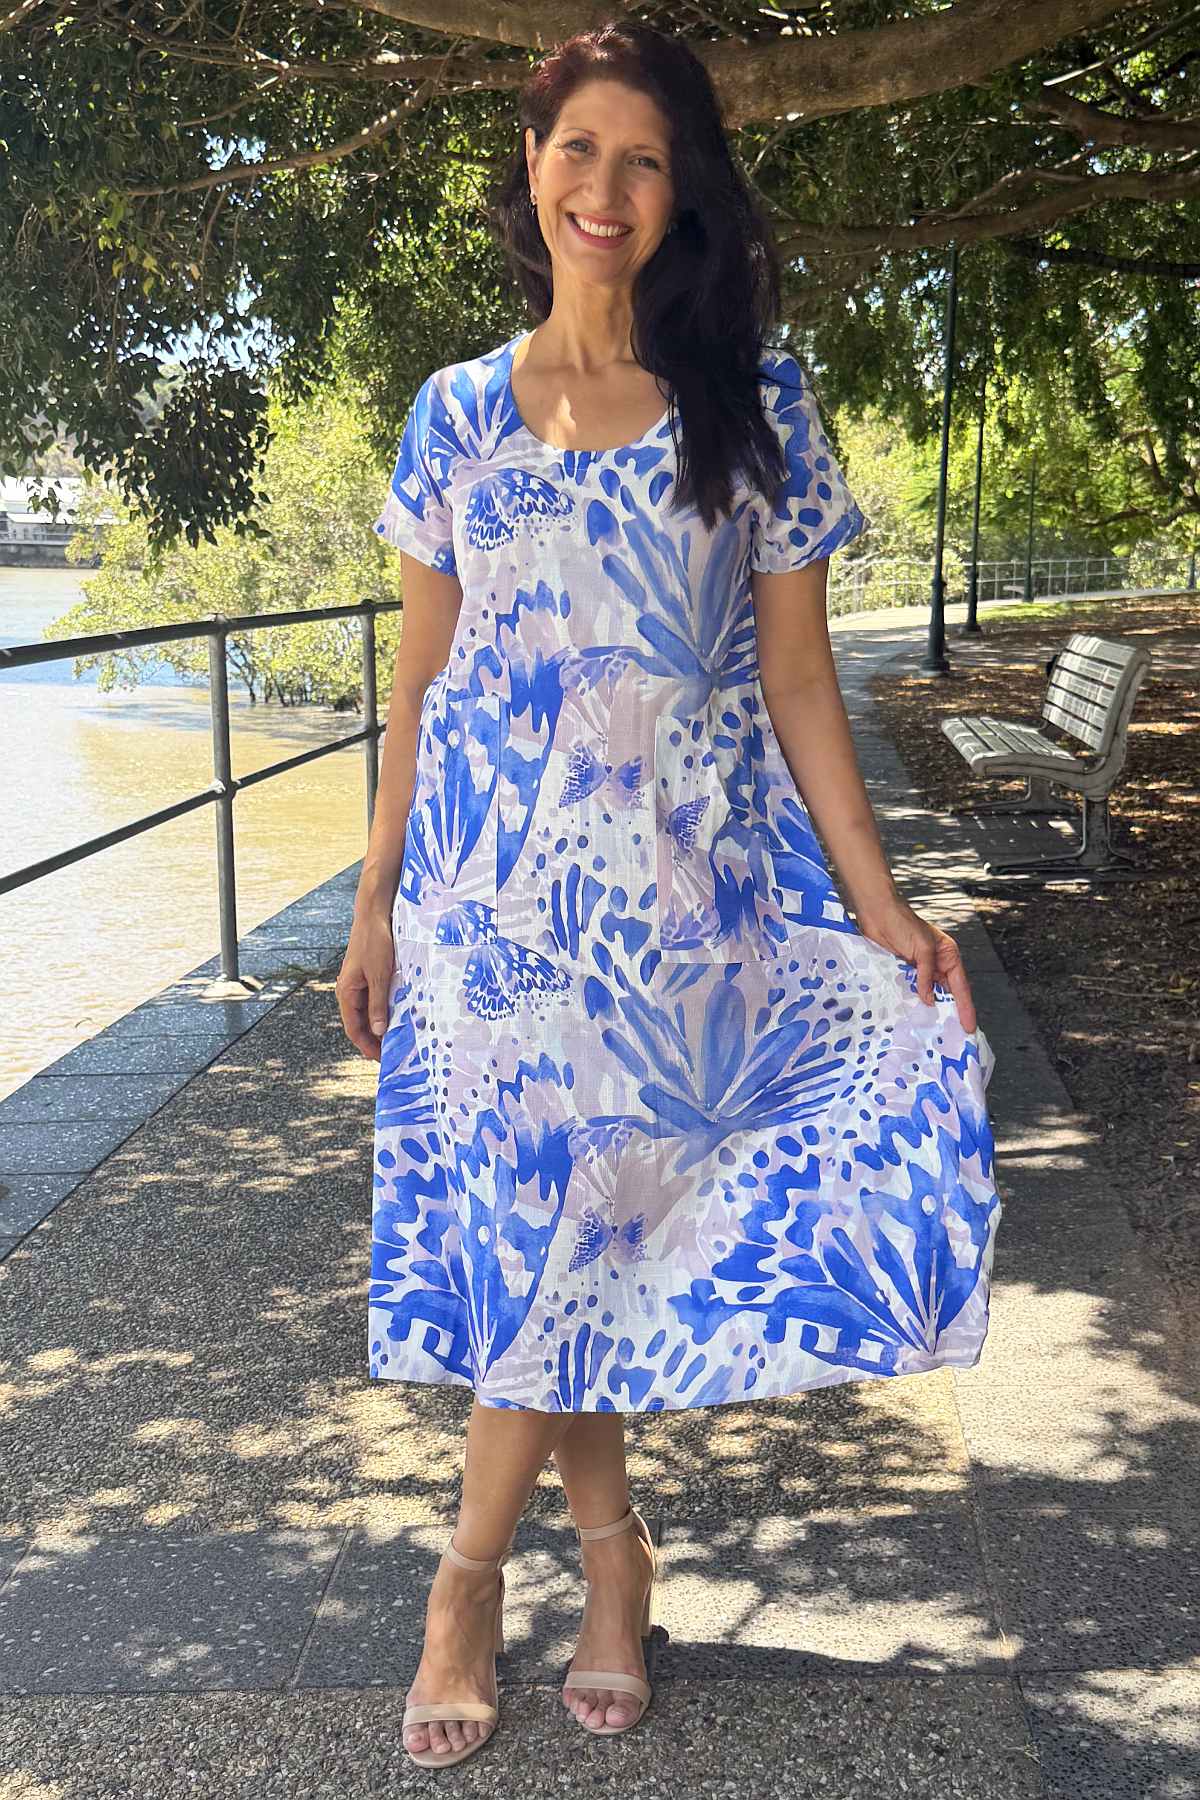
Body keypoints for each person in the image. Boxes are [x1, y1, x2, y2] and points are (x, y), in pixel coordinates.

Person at [337, 17, 1002, 1772]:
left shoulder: (753, 407)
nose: (607, 188)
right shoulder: (454, 415)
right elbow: (419, 684)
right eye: (580, 149)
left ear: (681, 190)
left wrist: (879, 905)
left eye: (646, 159)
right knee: (552, 1251)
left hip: (673, 919)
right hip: (487, 921)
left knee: (589, 1238)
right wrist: (375, 900)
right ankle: (614, 1565)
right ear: (531, 165)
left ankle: (465, 1583)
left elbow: (800, 683)